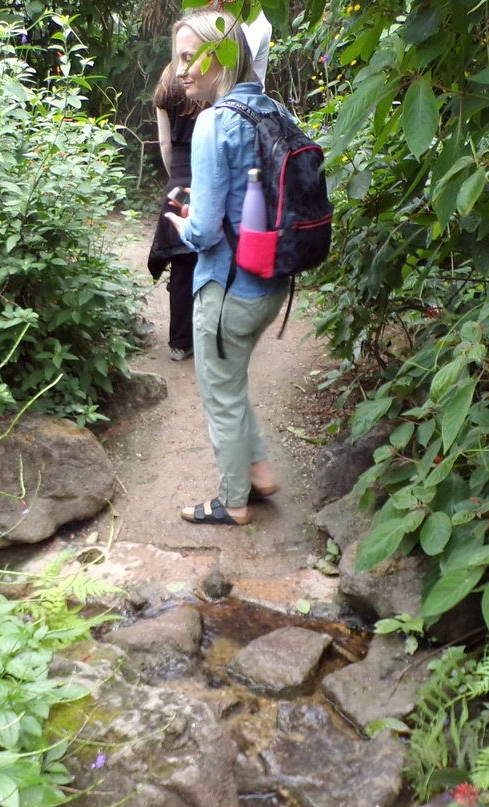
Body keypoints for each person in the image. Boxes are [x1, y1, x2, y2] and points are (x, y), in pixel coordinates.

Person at [164, 10, 286, 527]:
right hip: (273, 281)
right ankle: (258, 473)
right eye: (178, 58)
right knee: (231, 384)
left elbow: (208, 231)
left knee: (219, 394)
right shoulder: (270, 108)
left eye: (190, 57)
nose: (181, 71)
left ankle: (233, 502)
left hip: (228, 285)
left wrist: (180, 225)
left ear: (224, 56)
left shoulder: (216, 120)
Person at [147, 63, 204, 363]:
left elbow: (165, 144)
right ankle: (215, 339)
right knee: (214, 259)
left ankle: (180, 343)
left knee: (182, 267)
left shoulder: (168, 81)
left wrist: (176, 180)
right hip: (210, 175)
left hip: (179, 178)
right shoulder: (209, 75)